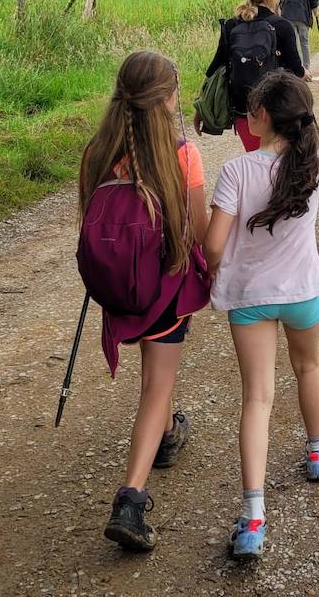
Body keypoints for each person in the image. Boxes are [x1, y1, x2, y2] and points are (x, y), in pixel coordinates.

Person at [204, 72, 319, 562]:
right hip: (303, 293)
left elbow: (212, 244)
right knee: (308, 370)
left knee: (258, 399)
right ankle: (318, 452)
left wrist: (213, 267)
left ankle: (253, 519)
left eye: (250, 111)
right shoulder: (314, 163)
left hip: (251, 298)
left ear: (263, 117)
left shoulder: (236, 172)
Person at [85, 51, 211, 552]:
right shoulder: (183, 155)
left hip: (118, 288)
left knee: (154, 378)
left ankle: (164, 434)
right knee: (157, 386)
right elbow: (199, 233)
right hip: (165, 288)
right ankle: (131, 500)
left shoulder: (98, 151)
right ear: (166, 99)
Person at [197, 0, 304, 152]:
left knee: (255, 159)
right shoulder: (282, 26)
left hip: (244, 112)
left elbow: (217, 65)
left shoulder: (232, 25)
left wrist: (201, 105)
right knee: (278, 167)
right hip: (277, 112)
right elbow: (296, 72)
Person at [279, 0, 319, 78]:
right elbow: (314, 1)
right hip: (303, 17)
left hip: (287, 17)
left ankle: (295, 69)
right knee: (304, 43)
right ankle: (306, 68)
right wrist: (316, 14)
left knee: (293, 43)